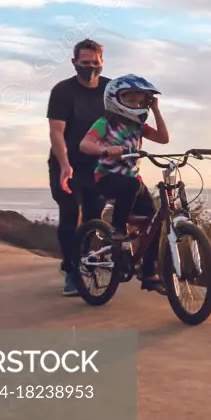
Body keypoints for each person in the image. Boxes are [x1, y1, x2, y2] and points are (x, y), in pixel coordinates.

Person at [79, 74, 170, 294]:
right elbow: (85, 144)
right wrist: (104, 150)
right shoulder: (105, 124)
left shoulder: (139, 126)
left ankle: (148, 273)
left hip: (133, 182)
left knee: (153, 220)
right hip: (107, 178)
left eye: (141, 101)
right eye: (132, 100)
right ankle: (118, 230)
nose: (137, 105)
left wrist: (156, 110)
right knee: (130, 186)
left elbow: (163, 138)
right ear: (115, 99)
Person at [47, 39, 109, 296]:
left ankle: (81, 259)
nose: (91, 68)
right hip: (67, 164)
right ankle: (72, 272)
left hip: (98, 166)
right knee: (70, 213)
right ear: (74, 63)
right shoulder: (63, 91)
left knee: (94, 219)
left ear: (102, 63)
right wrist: (64, 165)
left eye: (95, 63)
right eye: (85, 63)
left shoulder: (110, 89)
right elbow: (56, 132)